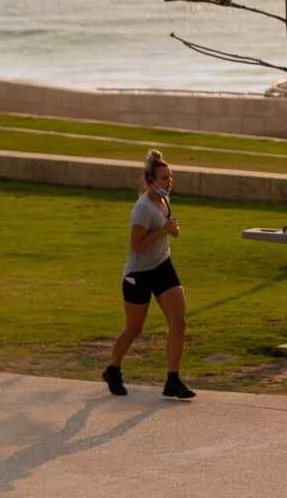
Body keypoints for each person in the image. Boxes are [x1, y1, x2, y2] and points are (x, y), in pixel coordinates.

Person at [102, 149, 195, 399]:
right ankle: (113, 369)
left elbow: (165, 228)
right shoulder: (142, 208)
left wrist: (172, 230)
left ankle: (173, 380)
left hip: (163, 266)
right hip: (139, 274)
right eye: (165, 178)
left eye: (171, 177)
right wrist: (163, 231)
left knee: (179, 322)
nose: (169, 182)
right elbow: (137, 245)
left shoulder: (164, 200)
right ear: (151, 180)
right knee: (134, 328)